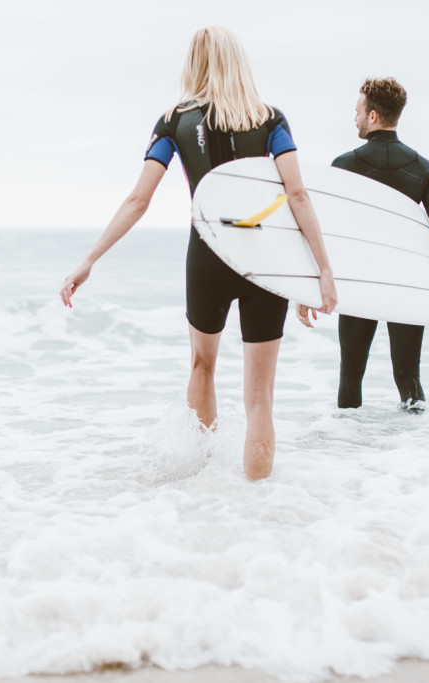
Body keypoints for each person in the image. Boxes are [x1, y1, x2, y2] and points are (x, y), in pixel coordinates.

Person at [60, 26, 338, 480]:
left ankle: (204, 497)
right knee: (260, 397)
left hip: (208, 256)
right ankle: (258, 503)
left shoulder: (174, 120)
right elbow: (298, 195)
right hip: (264, 262)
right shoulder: (270, 120)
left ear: (194, 63)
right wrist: (321, 270)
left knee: (201, 365)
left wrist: (90, 259)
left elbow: (138, 199)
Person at [297, 77, 429, 413]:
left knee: (351, 375)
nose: (355, 118)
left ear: (373, 116)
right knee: (409, 378)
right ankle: (416, 452)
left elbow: (325, 232)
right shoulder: (424, 169)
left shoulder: (345, 166)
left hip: (361, 283)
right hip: (407, 284)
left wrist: (306, 287)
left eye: (358, 111)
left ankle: (347, 448)